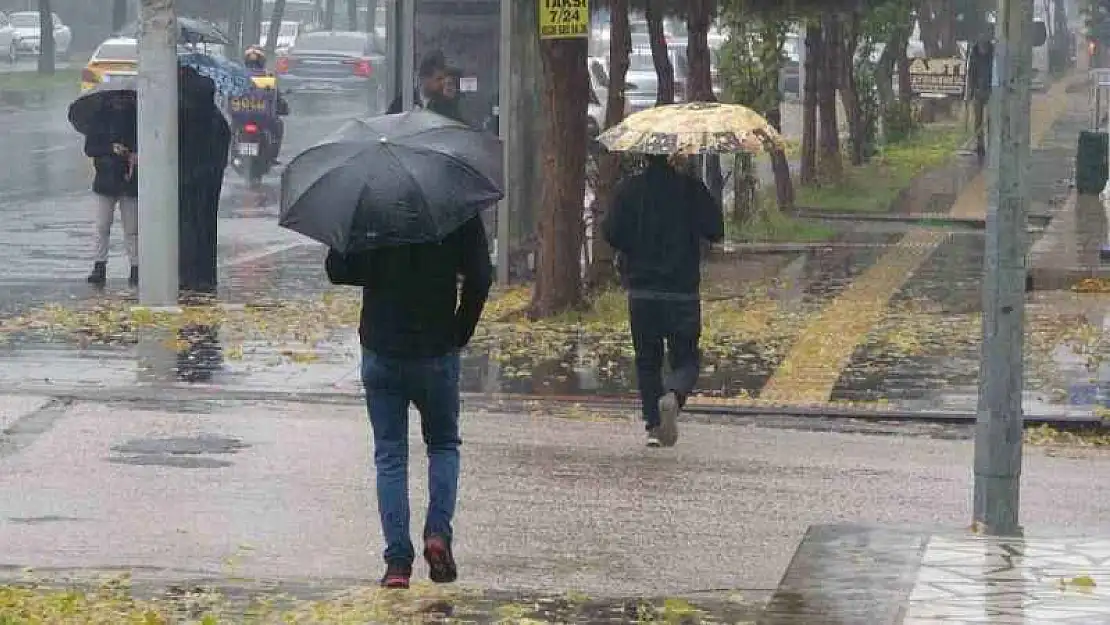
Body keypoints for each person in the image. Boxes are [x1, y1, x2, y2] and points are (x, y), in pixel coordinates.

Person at [325, 215, 492, 589]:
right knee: (444, 444)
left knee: (390, 454)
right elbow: (481, 275)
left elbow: (338, 270)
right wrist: (459, 330)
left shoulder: (372, 202)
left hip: (382, 348)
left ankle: (398, 562)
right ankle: (437, 532)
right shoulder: (455, 203)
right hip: (436, 349)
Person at [602, 154, 723, 448]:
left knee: (647, 360)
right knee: (687, 357)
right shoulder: (690, 188)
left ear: (643, 156)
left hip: (642, 291)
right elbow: (715, 231)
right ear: (673, 157)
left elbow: (611, 233)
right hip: (682, 290)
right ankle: (674, 392)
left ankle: (654, 426)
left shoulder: (628, 189)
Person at [178, 66, 231, 299]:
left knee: (187, 226)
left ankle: (188, 275)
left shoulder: (182, 116)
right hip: (210, 182)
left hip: (187, 180)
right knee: (206, 228)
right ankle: (205, 277)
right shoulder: (217, 119)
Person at [84, 91, 138, 287]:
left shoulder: (137, 116)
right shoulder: (99, 118)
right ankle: (99, 265)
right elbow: (90, 149)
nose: (119, 102)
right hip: (105, 180)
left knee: (132, 228)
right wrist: (110, 148)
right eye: (116, 99)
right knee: (102, 226)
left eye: (123, 99)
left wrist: (135, 154)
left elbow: (146, 143)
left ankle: (136, 266)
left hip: (129, 180)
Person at [242, 45, 288, 163]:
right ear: (262, 61)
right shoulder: (268, 77)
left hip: (240, 117)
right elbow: (276, 98)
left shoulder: (237, 75)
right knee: (278, 127)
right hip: (264, 118)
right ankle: (273, 157)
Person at [386, 49, 446, 114]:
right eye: (438, 79)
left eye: (444, 79)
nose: (443, 83)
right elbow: (388, 122)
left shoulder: (445, 105)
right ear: (424, 78)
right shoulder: (402, 103)